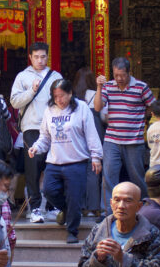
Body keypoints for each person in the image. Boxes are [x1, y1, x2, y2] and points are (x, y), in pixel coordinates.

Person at [30, 79, 104, 244]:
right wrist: (36, 147)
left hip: (76, 162)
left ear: (70, 93)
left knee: (74, 198)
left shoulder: (82, 108)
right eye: (55, 96)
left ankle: (72, 231)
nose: (59, 100)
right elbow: (45, 136)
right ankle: (65, 209)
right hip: (54, 162)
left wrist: (96, 156)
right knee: (48, 191)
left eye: (62, 96)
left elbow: (91, 134)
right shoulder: (49, 110)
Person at [95, 57, 155, 212]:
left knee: (138, 178)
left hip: (134, 141)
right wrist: (99, 87)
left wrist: (142, 117)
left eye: (122, 75)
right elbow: (97, 107)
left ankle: (143, 209)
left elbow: (152, 106)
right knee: (108, 178)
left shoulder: (141, 87)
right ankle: (108, 213)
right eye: (116, 75)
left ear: (129, 72)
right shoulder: (108, 86)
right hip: (112, 140)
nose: (119, 79)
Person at [10, 42, 61, 223]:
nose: (40, 60)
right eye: (36, 57)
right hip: (31, 127)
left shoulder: (55, 76)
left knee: (54, 167)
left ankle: (52, 205)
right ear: (30, 57)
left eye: (43, 56)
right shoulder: (22, 77)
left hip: (53, 127)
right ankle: (34, 208)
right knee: (33, 169)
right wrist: (31, 91)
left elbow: (62, 100)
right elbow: (15, 102)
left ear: (48, 57)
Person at [74, 67, 106, 217]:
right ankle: (94, 207)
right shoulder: (96, 95)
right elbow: (104, 116)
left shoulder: (73, 98)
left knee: (78, 170)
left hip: (78, 136)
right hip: (96, 133)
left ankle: (80, 205)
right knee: (94, 170)